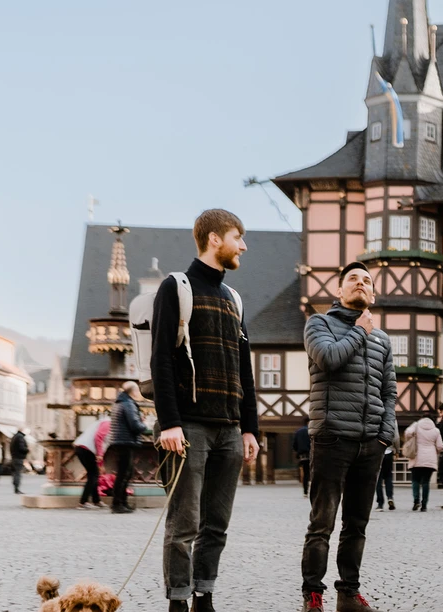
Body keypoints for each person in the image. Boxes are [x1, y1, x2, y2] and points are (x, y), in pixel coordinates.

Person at [151, 209, 262, 612]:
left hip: (230, 430)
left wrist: (250, 429)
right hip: (190, 429)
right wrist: (170, 423)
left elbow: (243, 371)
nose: (244, 245)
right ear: (215, 239)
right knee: (184, 525)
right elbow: (161, 360)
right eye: (238, 236)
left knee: (217, 524)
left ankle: (204, 595)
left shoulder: (233, 298)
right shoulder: (175, 287)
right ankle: (178, 601)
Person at [300, 261, 397, 612]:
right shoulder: (319, 323)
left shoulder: (383, 339)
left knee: (356, 524)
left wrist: (385, 437)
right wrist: (360, 330)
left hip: (370, 444)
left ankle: (348, 593)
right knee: (322, 523)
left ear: (373, 293)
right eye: (352, 279)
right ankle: (313, 594)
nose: (360, 283)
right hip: (331, 438)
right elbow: (327, 359)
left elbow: (390, 392)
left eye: (366, 280)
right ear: (339, 291)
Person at [109, 381, 152, 514]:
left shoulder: (119, 403)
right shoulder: (128, 404)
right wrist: (147, 428)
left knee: (124, 473)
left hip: (120, 441)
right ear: (133, 392)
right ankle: (118, 504)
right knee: (124, 474)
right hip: (125, 442)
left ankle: (122, 502)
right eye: (138, 391)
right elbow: (134, 425)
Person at [403, 409, 443, 513]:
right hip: (430, 459)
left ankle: (416, 500)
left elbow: (407, 433)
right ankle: (424, 505)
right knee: (426, 482)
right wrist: (435, 451)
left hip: (416, 457)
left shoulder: (416, 425)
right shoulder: (436, 430)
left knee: (415, 480)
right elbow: (440, 446)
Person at [73, 416, 112, 509]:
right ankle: (83, 502)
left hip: (84, 448)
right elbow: (99, 437)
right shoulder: (108, 422)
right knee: (93, 475)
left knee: (94, 474)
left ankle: (96, 501)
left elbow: (103, 443)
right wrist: (99, 455)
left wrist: (100, 464)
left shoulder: (105, 422)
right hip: (86, 448)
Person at [374, 446, 395, 512]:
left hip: (378, 453)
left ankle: (380, 504)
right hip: (389, 452)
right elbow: (396, 438)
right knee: (388, 477)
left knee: (378, 480)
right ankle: (390, 497)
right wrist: (397, 451)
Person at [9, 430, 30, 495]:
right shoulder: (20, 437)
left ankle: (15, 486)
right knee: (18, 473)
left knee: (15, 473)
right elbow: (22, 448)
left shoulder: (14, 436)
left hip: (14, 457)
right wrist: (27, 450)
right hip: (18, 458)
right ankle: (16, 488)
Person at [294, 424, 312, 497]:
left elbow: (295, 445)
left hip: (303, 456)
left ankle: (305, 492)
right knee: (314, 473)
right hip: (313, 454)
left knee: (306, 474)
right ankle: (314, 491)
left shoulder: (298, 432)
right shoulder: (312, 430)